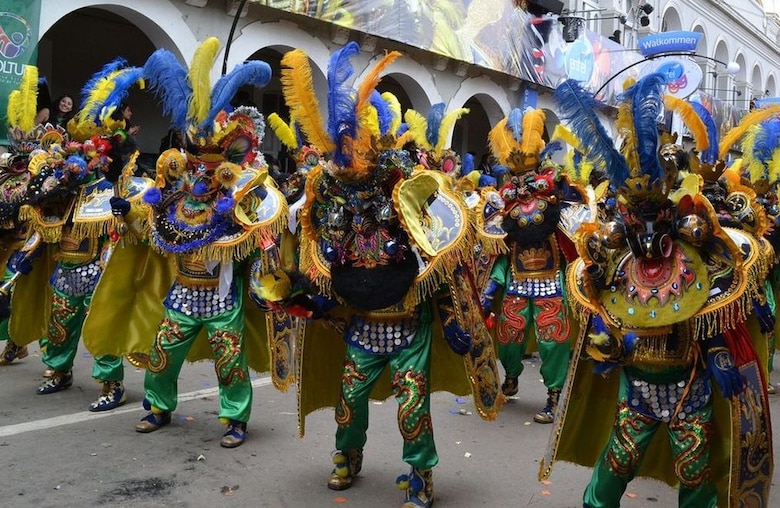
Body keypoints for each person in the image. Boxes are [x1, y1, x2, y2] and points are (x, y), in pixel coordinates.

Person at [251, 42, 503, 508]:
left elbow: (439, 260)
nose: (355, 208)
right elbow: (324, 261)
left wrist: (451, 320)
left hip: (409, 323)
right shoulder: (332, 205)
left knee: (413, 408)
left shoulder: (410, 199)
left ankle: (421, 473)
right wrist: (303, 292)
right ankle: (347, 455)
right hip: (362, 322)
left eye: (363, 198)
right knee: (350, 401)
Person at [541, 74, 773, 507]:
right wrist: (605, 345)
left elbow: (714, 310)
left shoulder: (697, 253)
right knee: (614, 468)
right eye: (636, 221)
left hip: (690, 387)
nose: (647, 236)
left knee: (696, 472)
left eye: (655, 220)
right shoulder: (613, 261)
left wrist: (722, 356)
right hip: (638, 390)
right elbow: (598, 309)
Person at [100, 38, 287, 448]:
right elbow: (153, 233)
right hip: (184, 293)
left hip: (222, 298)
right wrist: (126, 212)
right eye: (198, 164)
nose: (203, 173)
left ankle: (236, 419)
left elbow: (260, 240)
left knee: (230, 362)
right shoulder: (176, 196)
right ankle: (158, 406)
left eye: (211, 166)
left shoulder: (240, 198)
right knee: (162, 355)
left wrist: (256, 246)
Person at [480, 107, 576, 424]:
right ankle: (511, 375)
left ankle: (553, 394)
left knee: (553, 341)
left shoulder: (557, 197)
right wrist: (492, 284)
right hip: (517, 279)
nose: (526, 198)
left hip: (550, 279)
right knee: (508, 339)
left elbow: (573, 237)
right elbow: (498, 247)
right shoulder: (502, 205)